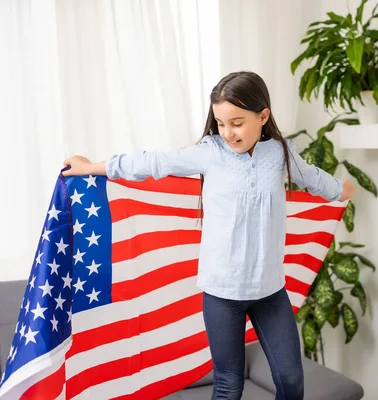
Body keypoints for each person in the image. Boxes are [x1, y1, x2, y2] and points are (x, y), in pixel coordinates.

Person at [63, 71, 355, 400]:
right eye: (220, 122)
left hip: (270, 292)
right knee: (228, 385)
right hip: (222, 295)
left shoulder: (279, 153)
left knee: (291, 380)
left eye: (237, 122)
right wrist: (93, 167)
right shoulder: (209, 152)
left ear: (263, 116)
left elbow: (313, 178)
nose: (228, 132)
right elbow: (154, 162)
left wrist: (339, 190)